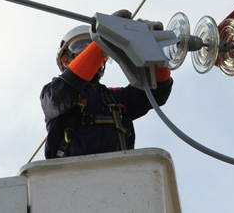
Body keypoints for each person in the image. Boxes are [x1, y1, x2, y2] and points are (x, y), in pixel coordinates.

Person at [40, 11, 173, 159]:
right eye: (80, 47)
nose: (89, 50)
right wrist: (105, 36)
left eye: (92, 46)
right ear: (66, 60)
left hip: (119, 175)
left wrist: (149, 43)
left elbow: (158, 90)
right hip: (70, 176)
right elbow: (68, 86)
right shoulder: (52, 93)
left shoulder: (117, 98)